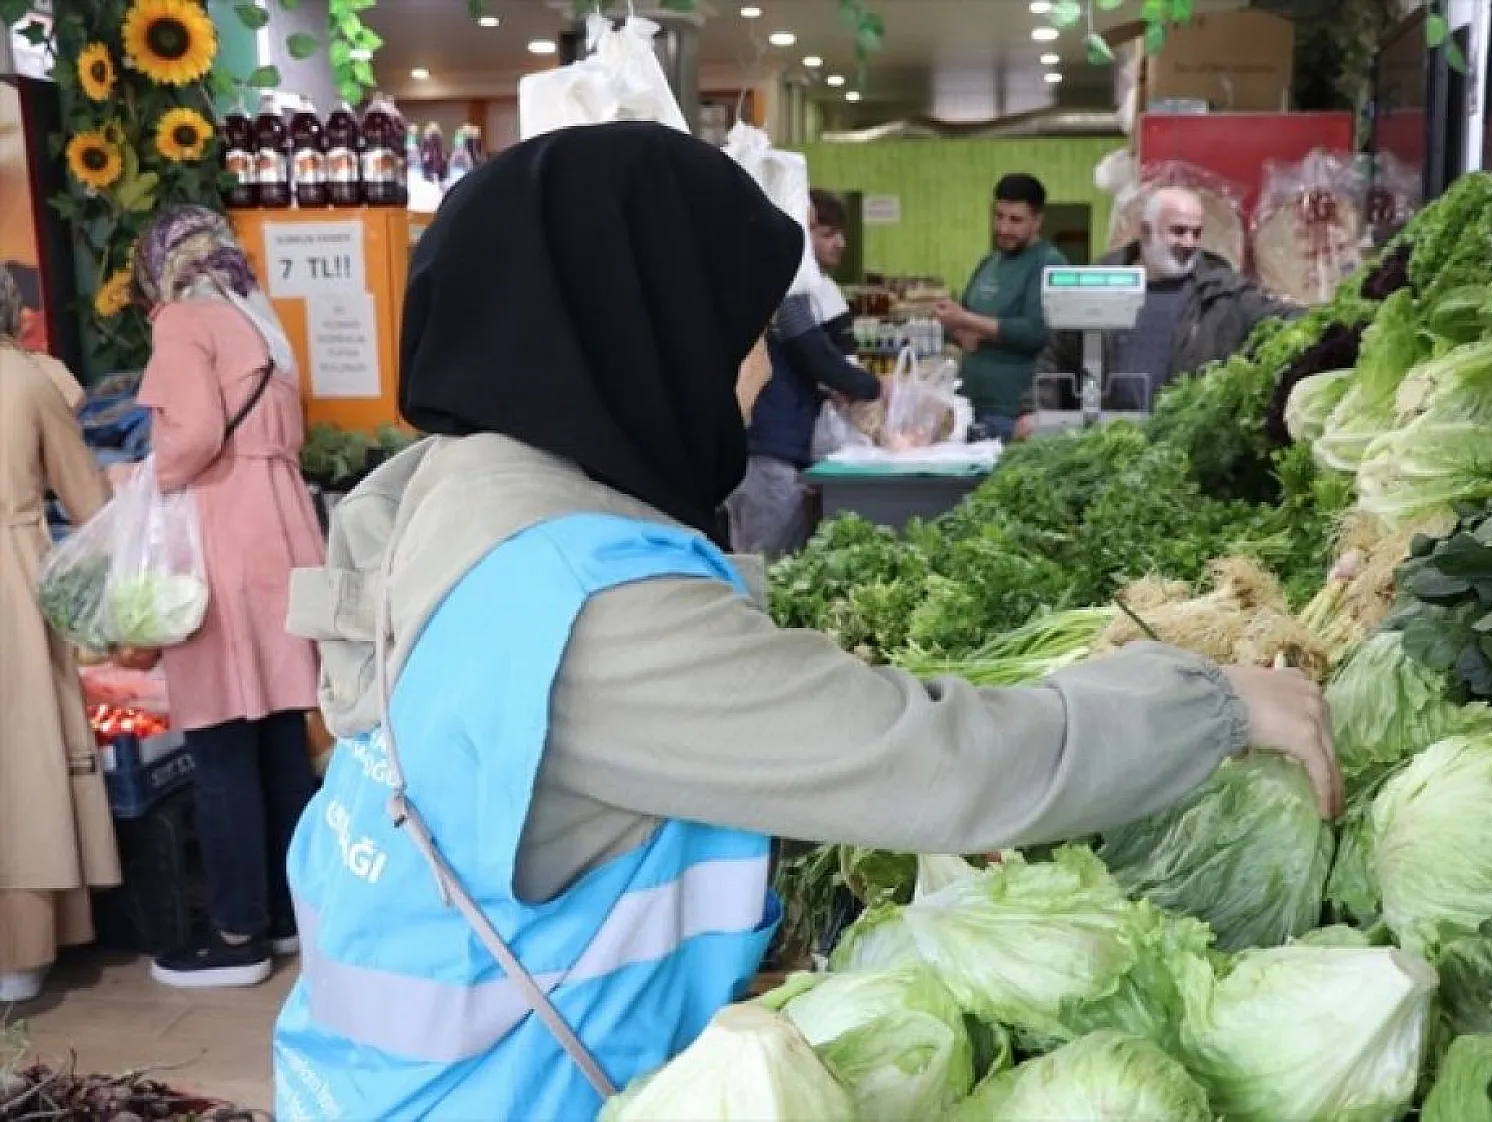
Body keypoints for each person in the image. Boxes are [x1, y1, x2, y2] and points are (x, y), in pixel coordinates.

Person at [273, 122, 1339, 1122]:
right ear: (645, 333)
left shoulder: (448, 493)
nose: (755, 370)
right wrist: (1208, 699)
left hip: (381, 1079)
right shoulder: (584, 608)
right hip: (506, 1094)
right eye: (740, 334)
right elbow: (939, 766)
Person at [126, 206, 325, 989]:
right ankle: (285, 915)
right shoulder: (258, 318)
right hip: (280, 527)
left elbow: (193, 434)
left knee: (217, 742)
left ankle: (236, 930)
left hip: (221, 535)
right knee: (278, 731)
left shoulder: (182, 319)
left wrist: (143, 477)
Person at [0, 268, 121, 1005]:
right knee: (23, 755)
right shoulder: (28, 382)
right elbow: (90, 504)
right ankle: (23, 948)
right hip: (14, 576)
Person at [1031, 186, 1298, 425]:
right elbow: (1056, 357)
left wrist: (1330, 317)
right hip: (1108, 445)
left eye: (1196, 233)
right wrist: (1032, 410)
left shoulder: (1222, 291)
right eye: (1178, 231)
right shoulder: (1101, 282)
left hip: (1187, 446)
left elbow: (1280, 317)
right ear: (1146, 231)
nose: (1189, 243)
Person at [727, 200, 882, 558]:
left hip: (770, 445)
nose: (837, 243)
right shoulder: (779, 287)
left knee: (758, 554)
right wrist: (869, 387)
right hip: (768, 446)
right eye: (819, 230)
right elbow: (813, 353)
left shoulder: (776, 283)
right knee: (767, 562)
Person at [935, 173, 1066, 441]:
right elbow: (962, 317)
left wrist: (972, 324)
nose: (1004, 228)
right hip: (971, 406)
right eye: (999, 216)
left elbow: (1037, 331)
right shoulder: (989, 262)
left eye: (1015, 220)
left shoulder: (1048, 263)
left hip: (1014, 413)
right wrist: (957, 329)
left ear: (1037, 221)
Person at [807, 188, 856, 356]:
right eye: (828, 235)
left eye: (841, 233)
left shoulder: (829, 287)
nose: (841, 243)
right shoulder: (795, 296)